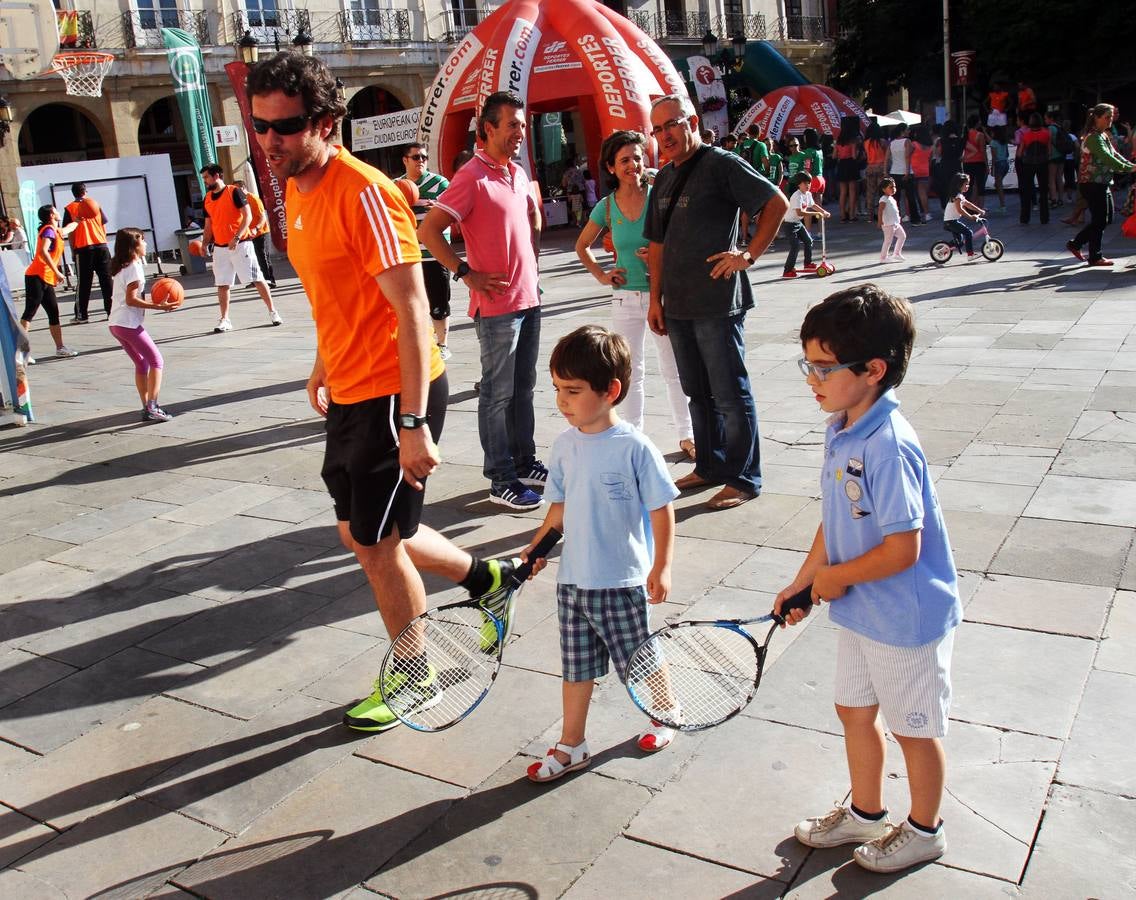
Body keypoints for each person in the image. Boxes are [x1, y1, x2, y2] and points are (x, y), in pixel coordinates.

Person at [247, 51, 524, 733]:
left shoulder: (364, 192)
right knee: (363, 532)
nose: (271, 141)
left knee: (377, 546)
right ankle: (488, 581)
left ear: (325, 122)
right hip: (349, 387)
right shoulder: (297, 188)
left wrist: (413, 422)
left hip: (393, 392)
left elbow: (412, 311)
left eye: (286, 126)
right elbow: (336, 293)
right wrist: (322, 361)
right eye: (261, 126)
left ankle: (414, 676)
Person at [777, 283, 961, 874]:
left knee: (915, 731)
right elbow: (836, 519)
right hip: (861, 609)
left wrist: (835, 577)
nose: (812, 378)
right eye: (807, 364)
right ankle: (865, 812)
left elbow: (904, 548)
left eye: (823, 367)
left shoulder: (888, 445)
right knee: (853, 711)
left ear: (873, 370)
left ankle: (925, 831)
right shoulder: (842, 427)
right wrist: (805, 580)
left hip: (906, 619)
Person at [523, 325, 679, 783]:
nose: (562, 401)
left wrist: (662, 566)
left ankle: (665, 710)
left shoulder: (634, 447)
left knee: (639, 659)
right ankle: (572, 743)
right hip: (573, 582)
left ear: (610, 391)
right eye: (557, 389)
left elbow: (662, 508)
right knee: (576, 667)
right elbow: (558, 510)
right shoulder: (564, 446)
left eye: (573, 391)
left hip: (621, 580)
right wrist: (537, 547)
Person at [644, 92, 789, 510]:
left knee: (729, 394)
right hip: (678, 304)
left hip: (717, 302)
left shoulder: (722, 164)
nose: (665, 135)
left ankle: (743, 478)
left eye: (671, 124)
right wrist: (655, 299)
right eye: (657, 129)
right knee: (697, 393)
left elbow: (775, 203)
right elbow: (656, 244)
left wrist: (748, 255)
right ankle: (710, 466)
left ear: (691, 122)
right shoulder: (664, 177)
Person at [419, 90, 547, 511]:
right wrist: (465, 272)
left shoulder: (516, 172)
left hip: (528, 299)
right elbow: (429, 231)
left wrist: (531, 268)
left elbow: (528, 223)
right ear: (488, 129)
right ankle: (501, 477)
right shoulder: (471, 176)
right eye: (511, 125)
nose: (519, 132)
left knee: (523, 388)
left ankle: (525, 462)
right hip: (496, 309)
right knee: (497, 393)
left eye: (522, 125)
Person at [575, 129, 694, 459]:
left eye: (637, 158)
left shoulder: (660, 196)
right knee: (629, 371)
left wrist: (658, 255)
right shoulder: (606, 207)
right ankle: (633, 436)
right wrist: (602, 274)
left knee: (673, 368)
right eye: (624, 160)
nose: (633, 165)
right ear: (611, 167)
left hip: (661, 297)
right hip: (624, 299)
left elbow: (682, 238)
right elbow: (581, 245)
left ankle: (687, 434)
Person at [199, 163, 282, 332]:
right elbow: (208, 225)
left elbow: (247, 216)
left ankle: (273, 312)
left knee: (257, 278)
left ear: (216, 176)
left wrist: (237, 237)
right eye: (204, 178)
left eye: (206, 177)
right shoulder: (207, 199)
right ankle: (225, 319)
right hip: (220, 248)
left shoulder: (234, 192)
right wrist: (204, 243)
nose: (205, 181)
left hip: (242, 244)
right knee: (222, 284)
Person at [107, 227, 178, 422]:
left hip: (115, 323)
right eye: (142, 240)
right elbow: (130, 300)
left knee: (141, 363)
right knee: (157, 361)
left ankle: (146, 406)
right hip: (127, 324)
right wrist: (157, 306)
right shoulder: (134, 268)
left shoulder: (123, 266)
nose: (146, 244)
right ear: (134, 246)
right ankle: (153, 406)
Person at [396, 143, 452, 359]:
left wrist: (437, 207)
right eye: (416, 157)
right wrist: (414, 204)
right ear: (405, 160)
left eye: (424, 157)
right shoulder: (396, 185)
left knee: (439, 301)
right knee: (413, 303)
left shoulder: (439, 183)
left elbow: (453, 210)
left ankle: (442, 344)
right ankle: (421, 343)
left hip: (435, 253)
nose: (421, 161)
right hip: (409, 255)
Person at [1068, 103, 1136, 267]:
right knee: (1100, 220)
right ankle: (1092, 254)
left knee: (1106, 218)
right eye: (1107, 117)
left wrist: (1131, 165)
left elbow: (1116, 155)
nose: (1110, 120)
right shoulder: (1093, 138)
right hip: (1092, 183)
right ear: (1096, 118)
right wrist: (1130, 168)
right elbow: (1107, 158)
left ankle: (1078, 245)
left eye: (1111, 117)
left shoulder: (1102, 135)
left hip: (1102, 183)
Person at [20, 205, 79, 362]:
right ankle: (22, 352)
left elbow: (68, 229)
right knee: (29, 313)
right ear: (52, 215)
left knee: (53, 312)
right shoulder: (48, 231)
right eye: (56, 210)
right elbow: (43, 252)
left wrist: (79, 220)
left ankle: (60, 348)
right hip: (36, 276)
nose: (58, 212)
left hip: (45, 277)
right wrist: (57, 272)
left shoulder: (56, 230)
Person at [63, 182, 113, 322]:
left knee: (84, 283)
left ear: (73, 193)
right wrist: (103, 241)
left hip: (83, 248)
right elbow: (103, 225)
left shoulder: (70, 208)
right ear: (85, 191)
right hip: (101, 245)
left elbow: (70, 232)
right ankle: (111, 312)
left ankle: (82, 315)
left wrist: (73, 250)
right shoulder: (95, 205)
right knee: (107, 281)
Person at [783, 171, 829, 277]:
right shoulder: (796, 196)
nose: (808, 185)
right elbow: (800, 212)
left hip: (797, 222)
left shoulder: (808, 194)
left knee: (808, 241)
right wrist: (816, 214)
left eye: (809, 183)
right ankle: (787, 270)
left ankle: (807, 263)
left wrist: (823, 212)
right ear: (799, 184)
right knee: (795, 246)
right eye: (805, 183)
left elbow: (813, 205)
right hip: (789, 224)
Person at [234, 180, 277, 289]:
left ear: (243, 188)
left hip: (261, 233)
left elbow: (262, 217)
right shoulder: (241, 201)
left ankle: (270, 280)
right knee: (252, 258)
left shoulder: (253, 198)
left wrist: (256, 228)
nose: (236, 192)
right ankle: (255, 280)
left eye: (237, 189)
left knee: (263, 257)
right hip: (249, 235)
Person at [1016, 113, 1051, 225]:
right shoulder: (1046, 133)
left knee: (1026, 191)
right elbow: (1049, 151)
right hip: (1043, 164)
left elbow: (1020, 153)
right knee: (1044, 191)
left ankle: (1025, 218)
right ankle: (1044, 218)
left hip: (1029, 164)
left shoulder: (1026, 135)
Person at [943, 172, 984, 257]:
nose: (968, 186)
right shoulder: (957, 197)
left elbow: (968, 204)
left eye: (968, 184)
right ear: (959, 185)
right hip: (950, 222)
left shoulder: (960, 196)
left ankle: (944, 250)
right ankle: (970, 254)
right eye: (966, 184)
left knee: (959, 241)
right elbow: (960, 210)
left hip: (952, 221)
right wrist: (971, 217)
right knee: (968, 233)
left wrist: (979, 210)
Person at [886, 124, 922, 224]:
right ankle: (915, 219)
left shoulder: (892, 143)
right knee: (911, 197)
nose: (909, 131)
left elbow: (887, 158)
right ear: (902, 131)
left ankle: (895, 218)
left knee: (895, 197)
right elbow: (907, 156)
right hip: (905, 172)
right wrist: (907, 171)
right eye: (907, 130)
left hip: (894, 171)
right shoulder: (907, 141)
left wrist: (885, 171)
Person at [835, 117, 862, 222]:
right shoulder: (853, 141)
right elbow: (854, 156)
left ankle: (842, 214)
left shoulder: (838, 141)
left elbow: (834, 155)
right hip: (851, 164)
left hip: (841, 164)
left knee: (843, 192)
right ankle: (852, 214)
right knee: (852, 191)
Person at [863, 122, 888, 220]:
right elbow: (887, 155)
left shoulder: (866, 142)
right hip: (881, 167)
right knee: (882, 191)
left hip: (870, 167)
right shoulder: (882, 142)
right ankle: (882, 213)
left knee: (870, 192)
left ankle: (870, 214)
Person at [909, 127, 934, 222]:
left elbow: (907, 156)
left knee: (910, 193)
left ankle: (910, 214)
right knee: (923, 193)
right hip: (925, 171)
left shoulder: (913, 144)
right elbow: (930, 160)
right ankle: (927, 213)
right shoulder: (930, 147)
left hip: (913, 170)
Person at [961, 115, 988, 203]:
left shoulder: (965, 135)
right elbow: (983, 151)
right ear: (977, 123)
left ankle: (969, 205)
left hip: (967, 162)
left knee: (969, 185)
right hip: (979, 162)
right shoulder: (980, 135)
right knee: (980, 186)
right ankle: (980, 207)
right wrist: (987, 165)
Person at [878, 177, 905, 261]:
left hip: (895, 223)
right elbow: (880, 211)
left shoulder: (891, 198)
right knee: (888, 241)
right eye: (891, 187)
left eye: (894, 187)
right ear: (883, 189)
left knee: (902, 236)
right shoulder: (883, 199)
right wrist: (880, 221)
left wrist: (898, 218)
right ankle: (883, 257)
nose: (893, 189)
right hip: (888, 224)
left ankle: (897, 254)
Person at [988, 125, 1010, 214]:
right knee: (998, 184)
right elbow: (1007, 154)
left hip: (999, 164)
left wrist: (992, 167)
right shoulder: (1004, 142)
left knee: (999, 185)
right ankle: (1002, 205)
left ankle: (1003, 206)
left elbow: (994, 157)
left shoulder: (993, 143)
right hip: (1005, 163)